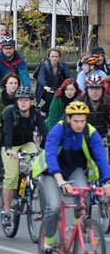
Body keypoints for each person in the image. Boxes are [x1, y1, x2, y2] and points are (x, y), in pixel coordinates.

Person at [32, 101, 110, 254]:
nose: (80, 125)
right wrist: (59, 180)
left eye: (82, 121)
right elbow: (51, 155)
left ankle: (79, 229)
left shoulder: (90, 132)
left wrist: (107, 181)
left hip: (74, 169)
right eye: (76, 121)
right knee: (53, 207)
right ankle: (48, 242)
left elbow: (101, 157)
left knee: (84, 197)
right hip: (51, 171)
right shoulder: (58, 130)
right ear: (68, 119)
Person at [0, 86, 47, 226]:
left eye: (26, 100)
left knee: (36, 164)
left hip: (27, 143)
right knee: (11, 176)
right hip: (10, 146)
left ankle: (29, 186)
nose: (23, 103)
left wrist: (49, 147)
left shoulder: (35, 114)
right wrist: (8, 149)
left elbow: (44, 130)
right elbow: (7, 132)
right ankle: (7, 211)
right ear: (16, 101)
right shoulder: (9, 112)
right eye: (20, 100)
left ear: (31, 102)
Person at [0, 36, 30, 124]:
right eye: (6, 48)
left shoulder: (20, 60)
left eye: (10, 48)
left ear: (14, 48)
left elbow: (24, 77)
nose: (8, 51)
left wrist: (27, 92)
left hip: (14, 85)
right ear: (1, 48)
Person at [0, 73, 21, 190]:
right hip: (0, 125)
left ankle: (17, 179)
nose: (13, 86)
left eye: (15, 83)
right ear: (5, 84)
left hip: (16, 126)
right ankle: (1, 178)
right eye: (11, 83)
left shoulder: (20, 94)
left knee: (17, 152)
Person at [34, 48, 73, 113]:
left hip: (59, 88)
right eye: (52, 57)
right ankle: (43, 111)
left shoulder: (63, 66)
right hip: (46, 90)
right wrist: (45, 86)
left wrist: (66, 86)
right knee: (52, 99)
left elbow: (69, 76)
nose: (54, 58)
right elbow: (41, 77)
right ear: (49, 57)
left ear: (59, 57)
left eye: (56, 57)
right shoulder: (44, 66)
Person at [77, 74, 110, 144]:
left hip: (103, 137)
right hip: (83, 137)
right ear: (87, 90)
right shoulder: (80, 101)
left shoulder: (108, 101)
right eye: (91, 88)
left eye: (98, 88)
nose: (95, 92)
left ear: (102, 90)